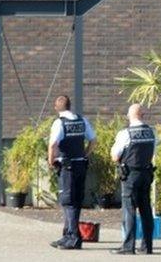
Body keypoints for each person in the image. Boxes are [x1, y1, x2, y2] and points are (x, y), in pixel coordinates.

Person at [47, 95, 96, 250]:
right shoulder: (82, 120)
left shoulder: (59, 123)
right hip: (81, 164)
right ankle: (67, 235)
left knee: (68, 201)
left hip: (67, 167)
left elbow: (53, 144)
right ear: (69, 105)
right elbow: (93, 140)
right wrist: (85, 154)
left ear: (57, 107)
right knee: (75, 201)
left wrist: (51, 161)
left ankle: (74, 238)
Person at [110, 103, 157, 255]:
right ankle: (147, 246)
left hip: (131, 175)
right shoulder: (151, 132)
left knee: (129, 210)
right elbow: (153, 151)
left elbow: (115, 156)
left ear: (130, 116)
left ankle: (128, 246)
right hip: (146, 174)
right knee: (146, 210)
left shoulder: (126, 133)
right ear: (142, 115)